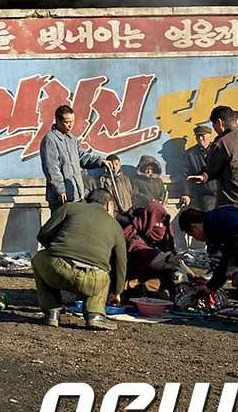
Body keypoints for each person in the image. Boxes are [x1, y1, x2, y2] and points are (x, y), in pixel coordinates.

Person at [32, 188, 127, 330]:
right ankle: (95, 315)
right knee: (104, 275)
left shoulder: (70, 208)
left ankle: (52, 312)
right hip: (93, 281)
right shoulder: (116, 227)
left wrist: (58, 251)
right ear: (108, 205)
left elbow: (43, 235)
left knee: (39, 258)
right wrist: (116, 291)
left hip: (57, 269)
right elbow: (120, 264)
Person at [38, 105, 119, 208]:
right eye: (67, 122)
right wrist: (60, 190)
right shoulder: (50, 140)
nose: (70, 125)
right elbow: (51, 169)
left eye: (72, 122)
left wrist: (100, 161)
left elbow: (83, 158)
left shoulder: (72, 140)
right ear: (57, 121)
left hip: (77, 195)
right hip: (62, 198)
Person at [121, 200, 179, 299]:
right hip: (136, 285)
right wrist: (167, 259)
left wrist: (181, 282)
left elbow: (176, 258)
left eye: (163, 224)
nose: (161, 227)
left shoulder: (166, 239)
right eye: (157, 223)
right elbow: (144, 253)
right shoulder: (134, 235)